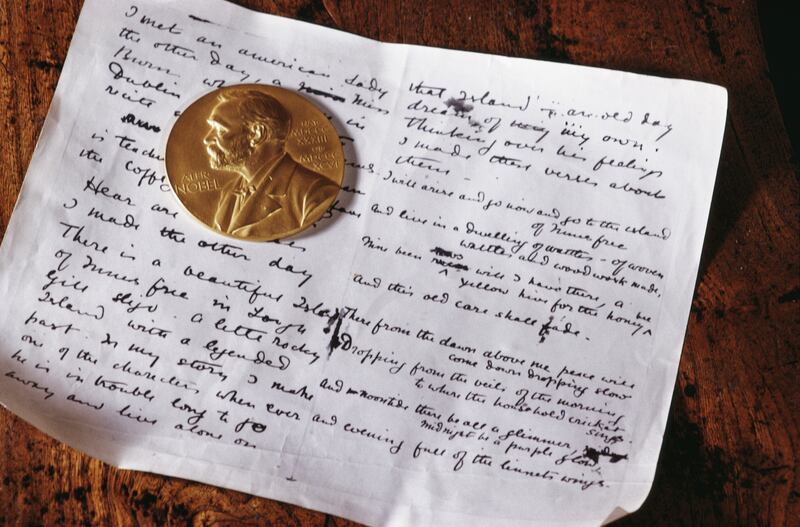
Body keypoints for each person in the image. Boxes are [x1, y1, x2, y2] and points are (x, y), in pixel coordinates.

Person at [203, 89, 337, 238]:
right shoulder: (229, 191)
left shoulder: (315, 195)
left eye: (220, 130)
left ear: (257, 134)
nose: (207, 139)